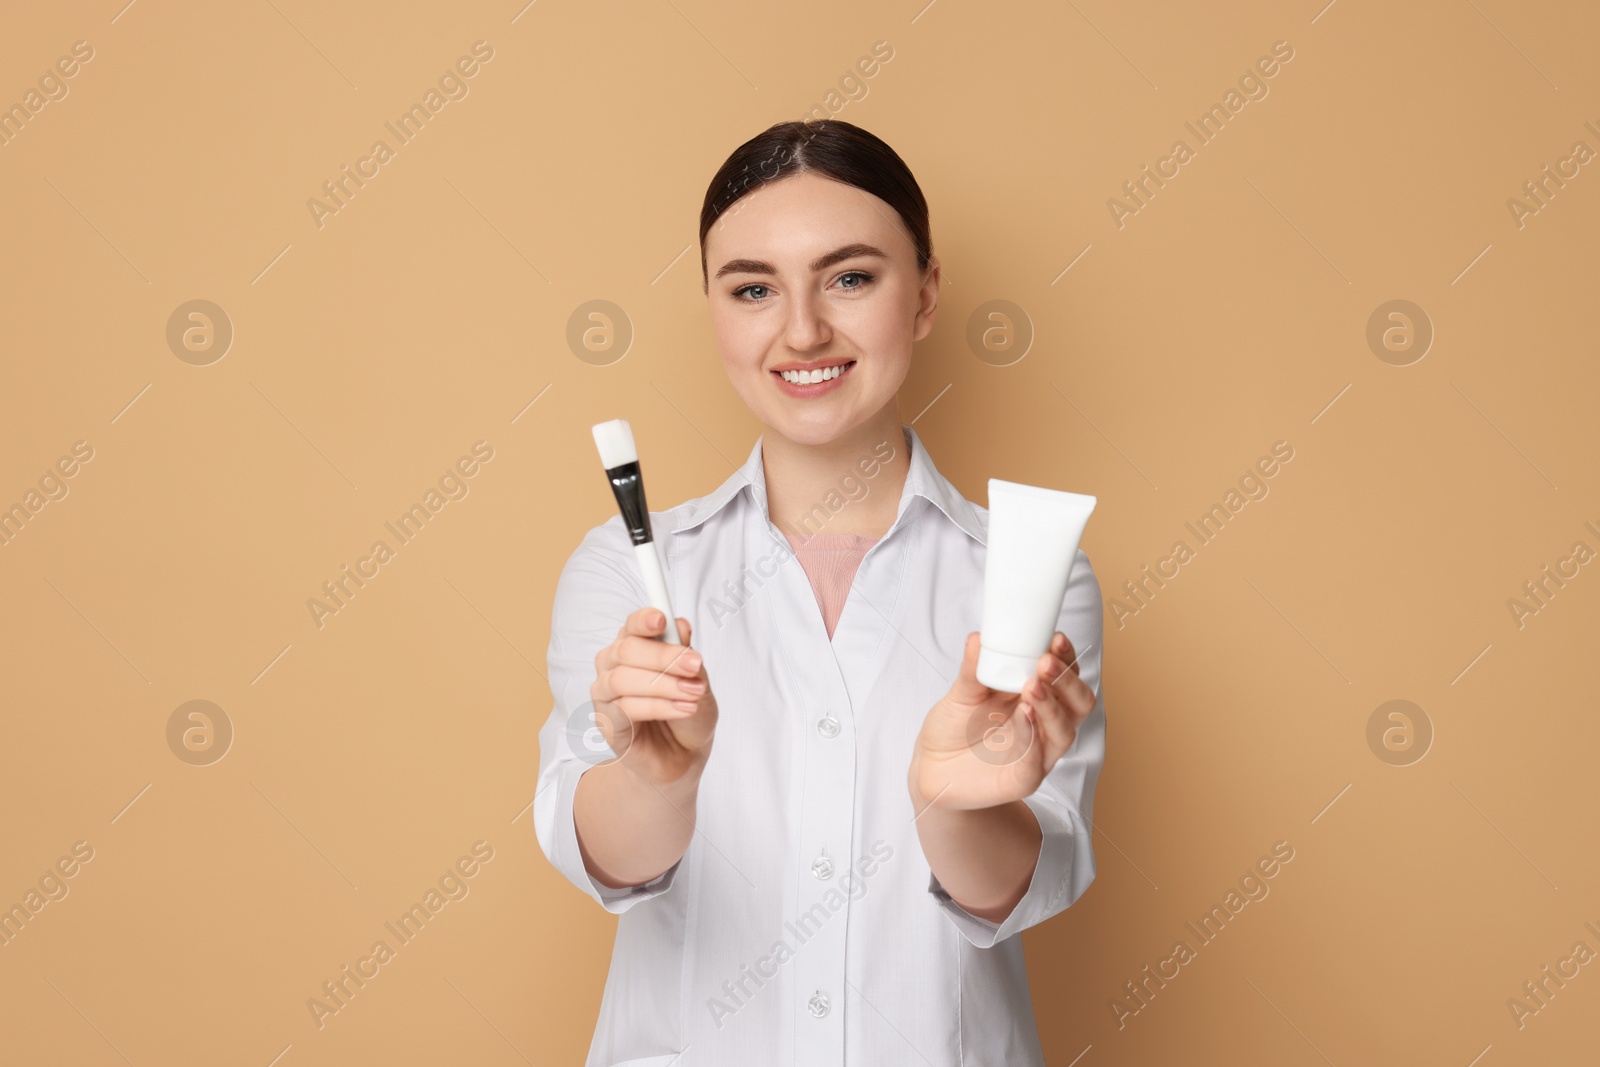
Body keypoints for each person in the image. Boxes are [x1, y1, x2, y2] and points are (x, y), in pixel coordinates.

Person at [535, 118, 1107, 1067]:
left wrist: (957, 807)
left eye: (850, 277)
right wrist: (655, 782)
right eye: (753, 288)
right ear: (714, 310)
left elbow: (1022, 886)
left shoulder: (1026, 571)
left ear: (924, 295)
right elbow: (611, 862)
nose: (801, 330)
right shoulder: (628, 569)